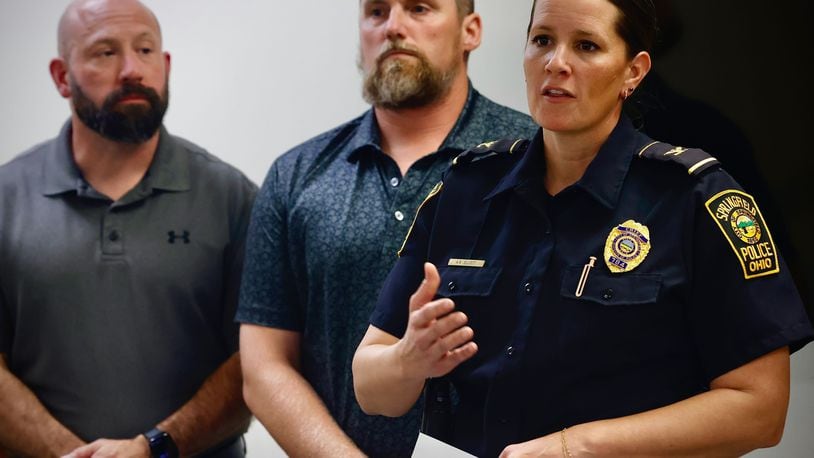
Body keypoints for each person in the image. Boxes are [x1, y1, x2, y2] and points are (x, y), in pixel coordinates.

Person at [352, 0, 814, 456]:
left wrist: (579, 447)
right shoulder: (466, 189)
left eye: (587, 46)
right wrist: (408, 360)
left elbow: (761, 409)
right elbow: (372, 389)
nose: (556, 63)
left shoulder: (695, 200)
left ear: (633, 72)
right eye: (542, 41)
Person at [236, 0, 537, 455]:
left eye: (419, 8)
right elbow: (264, 367)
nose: (394, 26)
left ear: (470, 31)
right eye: (377, 11)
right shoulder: (296, 176)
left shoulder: (533, 159)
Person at [0, 1, 255, 456]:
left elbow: (258, 362)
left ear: (166, 65)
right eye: (105, 52)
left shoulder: (233, 198)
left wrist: (153, 447)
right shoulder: (6, 198)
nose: (132, 70)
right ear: (62, 77)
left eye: (145, 50)